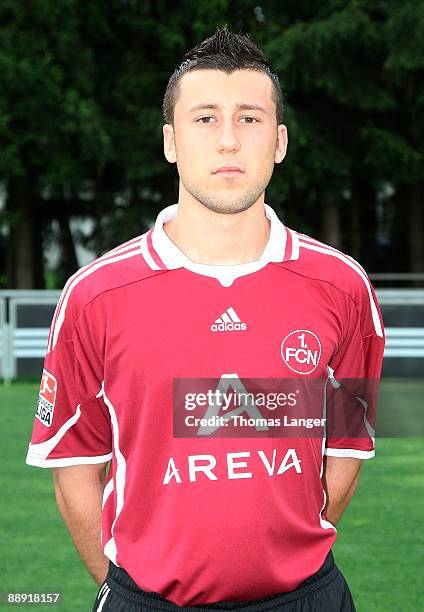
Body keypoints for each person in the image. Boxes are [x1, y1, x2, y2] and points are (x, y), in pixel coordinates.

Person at [26, 26, 385, 612]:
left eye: (249, 118)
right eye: (204, 118)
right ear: (170, 141)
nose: (227, 141)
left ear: (280, 141)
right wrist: (132, 592)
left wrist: (283, 557)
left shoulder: (342, 286)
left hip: (307, 599)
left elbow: (348, 442)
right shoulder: (96, 295)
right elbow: (74, 464)